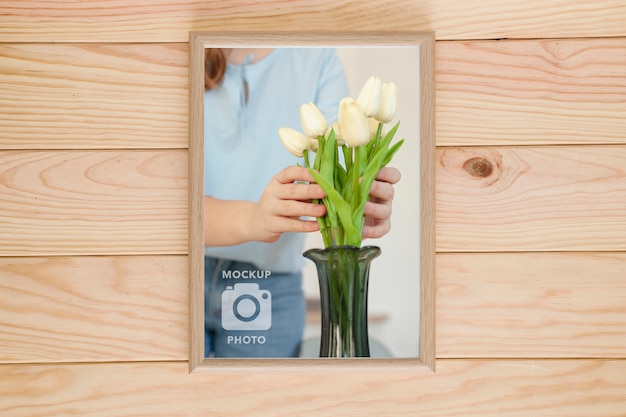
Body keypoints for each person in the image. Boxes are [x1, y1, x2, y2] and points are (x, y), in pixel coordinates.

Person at [203, 47, 401, 358]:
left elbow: (336, 174)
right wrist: (254, 218)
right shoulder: (179, 49)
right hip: (176, 271)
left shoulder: (317, 59)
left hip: (270, 281)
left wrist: (358, 200)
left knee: (257, 406)